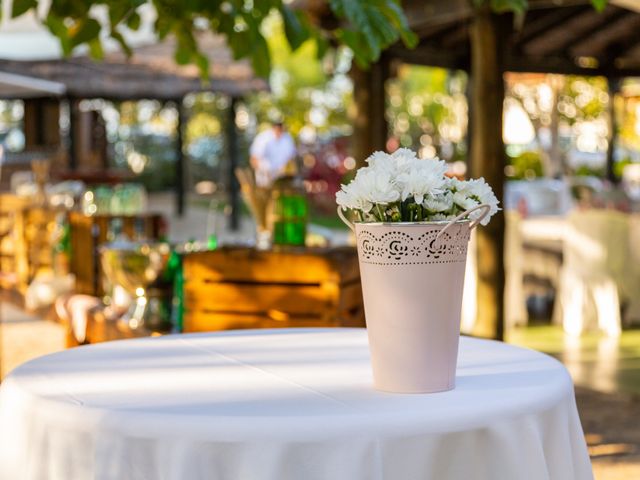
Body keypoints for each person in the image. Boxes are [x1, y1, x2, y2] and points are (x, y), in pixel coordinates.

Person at [249, 120, 297, 187]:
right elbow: (254, 158)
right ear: (273, 128)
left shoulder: (287, 139)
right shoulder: (263, 138)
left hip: (282, 175)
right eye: (277, 128)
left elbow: (292, 158)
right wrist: (263, 171)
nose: (279, 131)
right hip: (264, 175)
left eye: (281, 129)